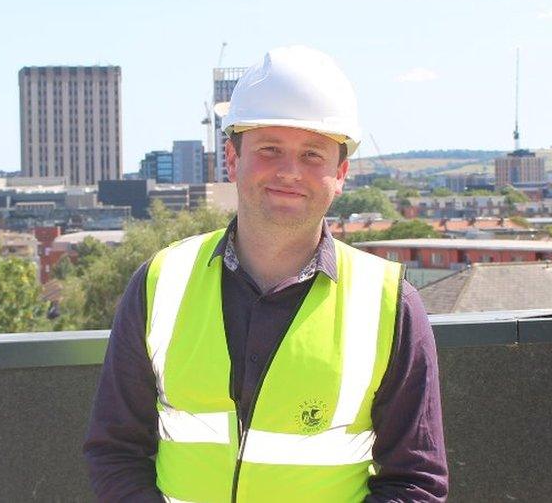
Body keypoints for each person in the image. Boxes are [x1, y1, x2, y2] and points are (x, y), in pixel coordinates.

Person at [84, 45, 448, 502]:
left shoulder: (388, 303)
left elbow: (416, 482)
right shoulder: (161, 282)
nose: (289, 172)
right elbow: (115, 451)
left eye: (313, 155)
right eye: (270, 149)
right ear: (233, 159)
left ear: (341, 172)